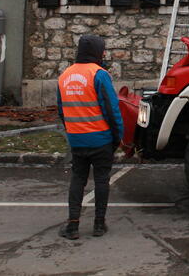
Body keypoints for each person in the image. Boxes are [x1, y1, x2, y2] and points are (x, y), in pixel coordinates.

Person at [57, 34, 124, 240]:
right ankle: (98, 224)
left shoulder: (64, 76)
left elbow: (62, 110)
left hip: (77, 139)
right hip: (101, 139)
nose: (104, 53)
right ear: (96, 52)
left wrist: (72, 131)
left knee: (78, 179)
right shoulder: (99, 74)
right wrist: (117, 137)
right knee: (102, 180)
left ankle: (73, 225)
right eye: (102, 50)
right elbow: (112, 110)